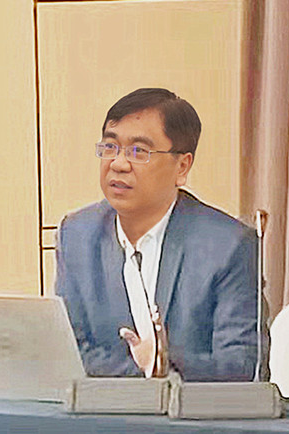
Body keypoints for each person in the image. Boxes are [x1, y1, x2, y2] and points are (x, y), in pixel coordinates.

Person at [55, 88, 267, 381]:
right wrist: (145, 373)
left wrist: (167, 364)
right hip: (102, 408)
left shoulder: (229, 246)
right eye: (110, 147)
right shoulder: (77, 235)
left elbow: (243, 366)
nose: (118, 164)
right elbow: (68, 350)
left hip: (192, 409)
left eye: (138, 152)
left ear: (182, 166)